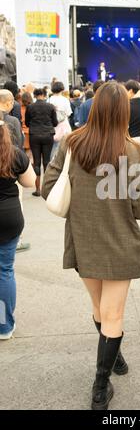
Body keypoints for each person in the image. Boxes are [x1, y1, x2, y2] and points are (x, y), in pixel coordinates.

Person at [42, 82, 140, 411]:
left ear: (94, 106)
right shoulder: (136, 152)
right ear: (123, 112)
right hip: (119, 242)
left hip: (83, 240)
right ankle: (100, 388)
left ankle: (111, 358)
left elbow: (48, 185)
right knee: (113, 313)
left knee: (99, 307)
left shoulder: (73, 143)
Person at [0, 115, 36, 340]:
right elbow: (30, 181)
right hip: (8, 217)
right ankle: (3, 326)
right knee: (4, 270)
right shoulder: (13, 154)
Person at [25, 88, 58, 197]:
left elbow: (27, 123)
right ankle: (47, 189)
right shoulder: (50, 106)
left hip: (34, 135)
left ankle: (37, 189)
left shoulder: (30, 107)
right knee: (47, 161)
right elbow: (55, 123)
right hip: (48, 134)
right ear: (44, 95)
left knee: (37, 161)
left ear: (34, 95)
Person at [49, 82, 72, 156]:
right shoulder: (65, 100)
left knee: (53, 148)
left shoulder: (49, 100)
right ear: (62, 89)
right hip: (63, 126)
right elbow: (68, 113)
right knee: (64, 147)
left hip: (52, 126)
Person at [125, 80, 140, 145]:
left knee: (124, 156)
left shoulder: (127, 104)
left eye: (125, 91)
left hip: (129, 141)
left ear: (130, 91)